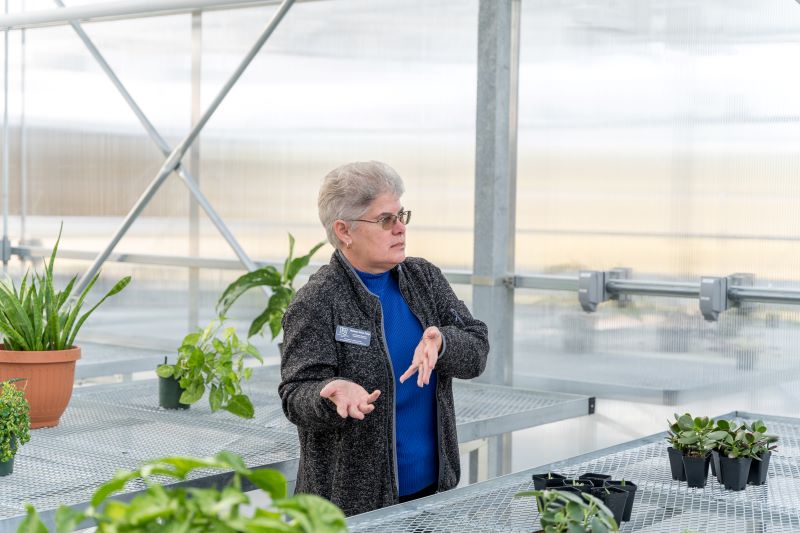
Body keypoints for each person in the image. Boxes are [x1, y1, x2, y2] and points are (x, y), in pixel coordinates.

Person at [279, 161, 489, 516]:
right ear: (344, 230)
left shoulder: (423, 278)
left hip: (432, 494)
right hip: (350, 508)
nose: (401, 228)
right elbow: (295, 393)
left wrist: (443, 343)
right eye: (385, 219)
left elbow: (477, 347)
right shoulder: (319, 300)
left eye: (402, 215)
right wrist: (328, 393)